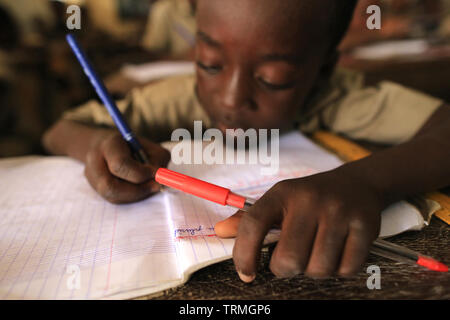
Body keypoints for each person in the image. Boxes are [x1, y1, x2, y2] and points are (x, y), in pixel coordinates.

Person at [43, 0, 450, 282]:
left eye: (272, 79)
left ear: (322, 69)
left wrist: (367, 182)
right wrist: (98, 144)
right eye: (210, 63)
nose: (231, 98)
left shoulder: (337, 97)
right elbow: (60, 129)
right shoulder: (180, 95)